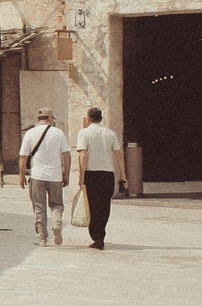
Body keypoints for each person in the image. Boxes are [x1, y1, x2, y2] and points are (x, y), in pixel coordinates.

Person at [18, 107, 71, 246]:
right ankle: (58, 224)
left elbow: (23, 156)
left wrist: (21, 175)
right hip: (55, 175)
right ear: (50, 118)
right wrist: (66, 174)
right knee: (57, 204)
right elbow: (67, 154)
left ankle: (42, 238)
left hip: (37, 175)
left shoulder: (30, 133)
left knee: (39, 206)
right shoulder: (58, 133)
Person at [76, 107, 127, 250]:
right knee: (105, 206)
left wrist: (81, 176)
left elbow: (82, 155)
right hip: (107, 174)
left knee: (92, 205)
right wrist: (123, 175)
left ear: (88, 118)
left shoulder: (84, 133)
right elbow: (119, 155)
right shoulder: (110, 133)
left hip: (91, 174)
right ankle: (100, 236)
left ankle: (97, 237)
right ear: (101, 118)